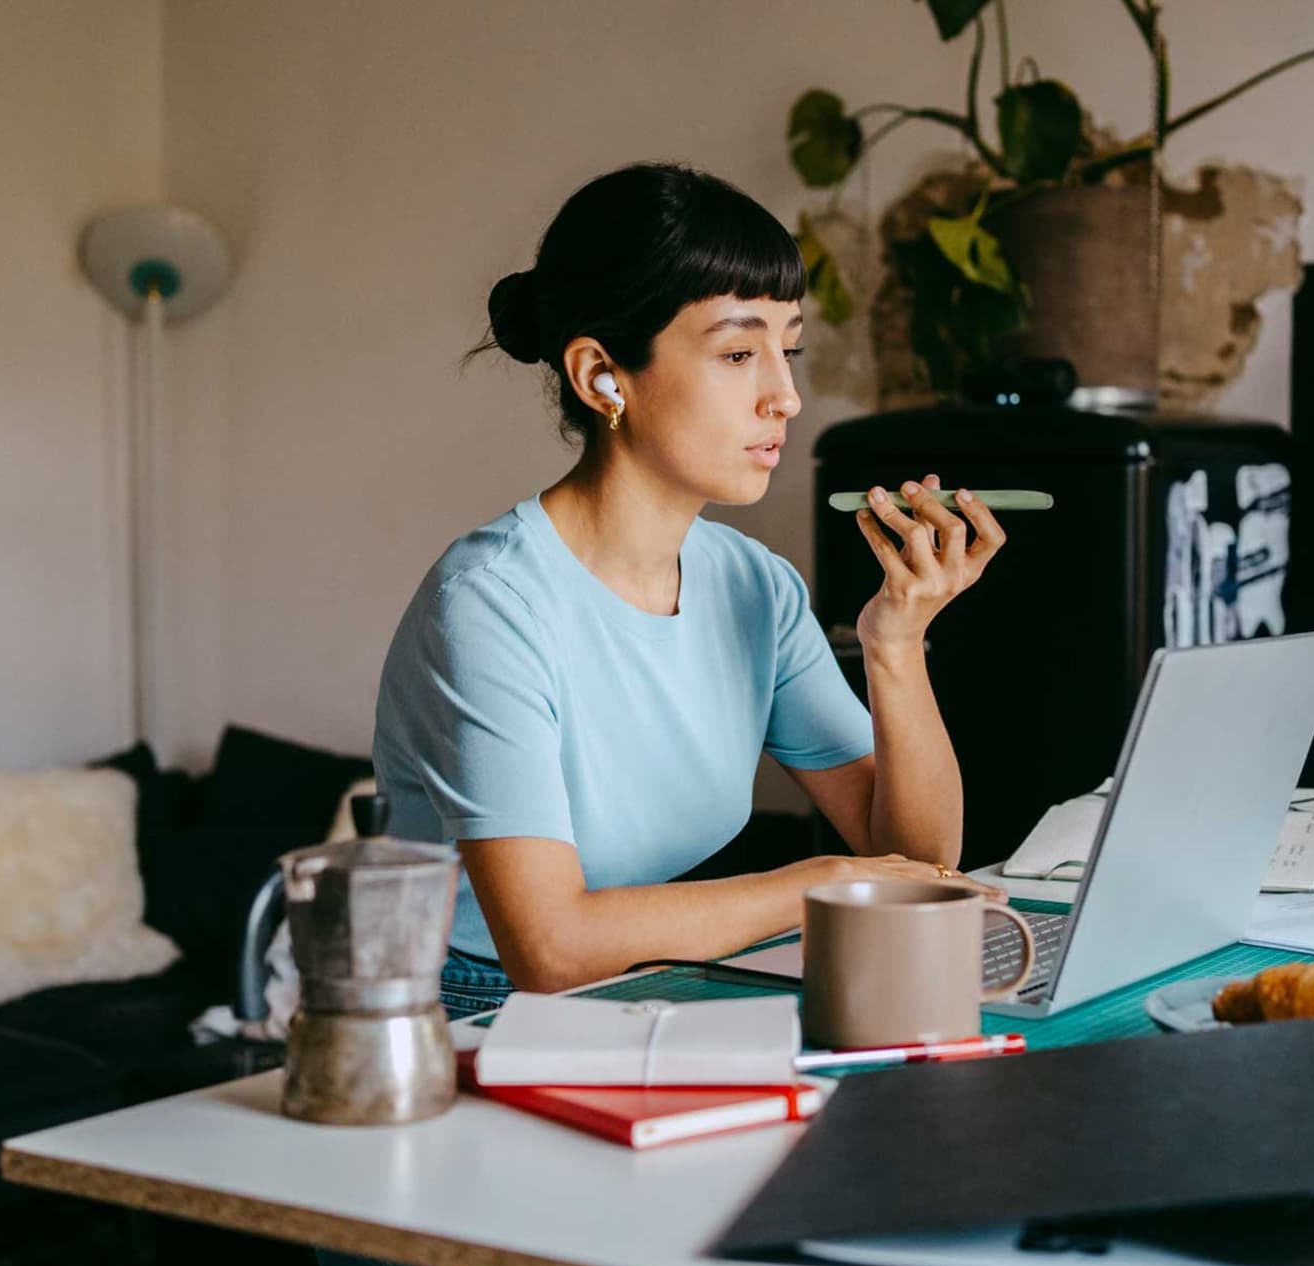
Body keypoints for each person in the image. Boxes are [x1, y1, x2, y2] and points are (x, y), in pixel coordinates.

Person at [380, 160, 1008, 1021]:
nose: (785, 397)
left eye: (788, 351)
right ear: (602, 375)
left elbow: (914, 861)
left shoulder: (756, 585)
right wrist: (827, 882)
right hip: (467, 1009)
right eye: (739, 352)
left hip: (650, 984)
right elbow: (549, 948)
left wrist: (895, 645)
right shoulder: (489, 606)